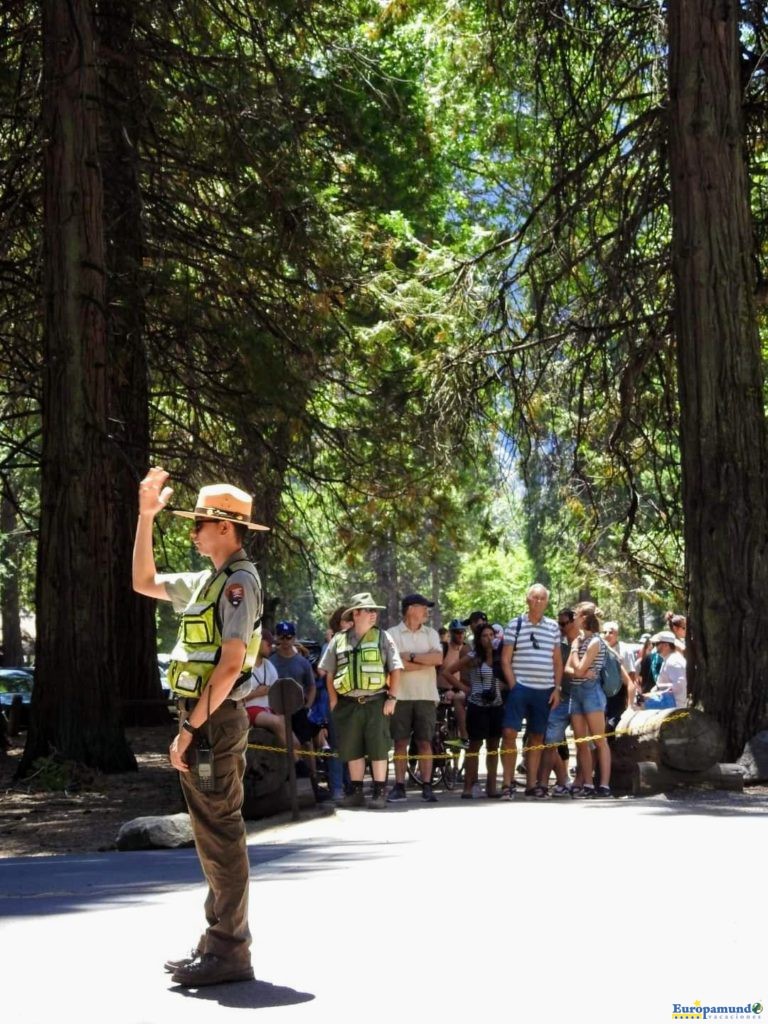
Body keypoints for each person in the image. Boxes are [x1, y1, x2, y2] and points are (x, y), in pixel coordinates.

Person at [133, 468, 266, 987]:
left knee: (221, 834)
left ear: (228, 529)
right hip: (204, 717)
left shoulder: (237, 583)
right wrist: (146, 518)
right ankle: (219, 942)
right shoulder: (209, 582)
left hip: (212, 720)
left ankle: (230, 950)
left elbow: (231, 666)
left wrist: (188, 730)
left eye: (201, 523)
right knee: (213, 836)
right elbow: (143, 581)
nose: (193, 532)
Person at [318, 592, 402, 809]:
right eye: (369, 610)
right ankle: (356, 792)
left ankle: (379, 791)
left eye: (374, 611)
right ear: (355, 614)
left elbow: (396, 669)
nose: (373, 614)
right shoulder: (339, 640)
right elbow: (328, 673)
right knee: (351, 748)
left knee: (378, 747)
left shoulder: (383, 637)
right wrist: (334, 701)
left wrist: (392, 698)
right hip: (348, 703)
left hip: (376, 701)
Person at [499, 583, 563, 799]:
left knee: (537, 736)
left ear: (547, 602)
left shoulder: (553, 627)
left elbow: (557, 661)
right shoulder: (515, 624)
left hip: (545, 689)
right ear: (527, 599)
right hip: (520, 687)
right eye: (534, 597)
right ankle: (507, 784)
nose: (538, 601)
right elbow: (505, 659)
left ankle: (531, 784)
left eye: (542, 598)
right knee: (509, 733)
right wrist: (514, 685)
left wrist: (557, 688)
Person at [386, 594, 444, 803]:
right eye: (424, 607)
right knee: (400, 742)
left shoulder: (431, 633)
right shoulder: (391, 634)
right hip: (399, 696)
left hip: (426, 696)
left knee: (425, 742)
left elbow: (438, 658)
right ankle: (399, 786)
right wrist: (423, 661)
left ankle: (427, 786)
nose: (427, 611)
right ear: (411, 609)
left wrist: (409, 656)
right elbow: (394, 664)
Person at [567, 602, 611, 798]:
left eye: (576, 615)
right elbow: (569, 670)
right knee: (581, 742)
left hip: (592, 693)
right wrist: (581, 671)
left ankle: (604, 785)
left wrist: (575, 652)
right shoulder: (579, 641)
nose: (573, 619)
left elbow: (577, 668)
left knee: (598, 740)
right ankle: (587, 783)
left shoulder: (594, 642)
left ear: (584, 618)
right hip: (576, 692)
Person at [456, 623, 503, 798]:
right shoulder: (473, 656)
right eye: (485, 635)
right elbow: (447, 672)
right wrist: (466, 689)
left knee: (493, 747)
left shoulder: (500, 657)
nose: (489, 638)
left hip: (496, 705)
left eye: (491, 635)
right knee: (474, 746)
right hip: (477, 705)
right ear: (479, 638)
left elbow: (505, 676)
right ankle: (468, 787)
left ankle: (491, 787)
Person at [537, 608, 578, 796]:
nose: (560, 628)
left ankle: (582, 783)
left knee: (587, 744)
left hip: (581, 698)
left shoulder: (585, 642)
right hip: (559, 699)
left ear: (573, 622)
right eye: (558, 624)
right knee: (550, 742)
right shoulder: (558, 646)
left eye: (563, 624)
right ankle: (544, 784)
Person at [436, 618, 469, 742]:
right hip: (441, 691)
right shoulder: (443, 648)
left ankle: (464, 737)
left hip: (459, 691)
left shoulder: (467, 650)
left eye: (462, 632)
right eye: (457, 632)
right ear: (450, 633)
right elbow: (435, 671)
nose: (460, 635)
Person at [639, 631, 687, 709]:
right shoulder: (669, 659)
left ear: (666, 645)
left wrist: (655, 693)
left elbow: (679, 685)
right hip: (669, 700)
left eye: (657, 644)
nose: (655, 647)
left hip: (673, 703)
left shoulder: (674, 661)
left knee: (637, 707)